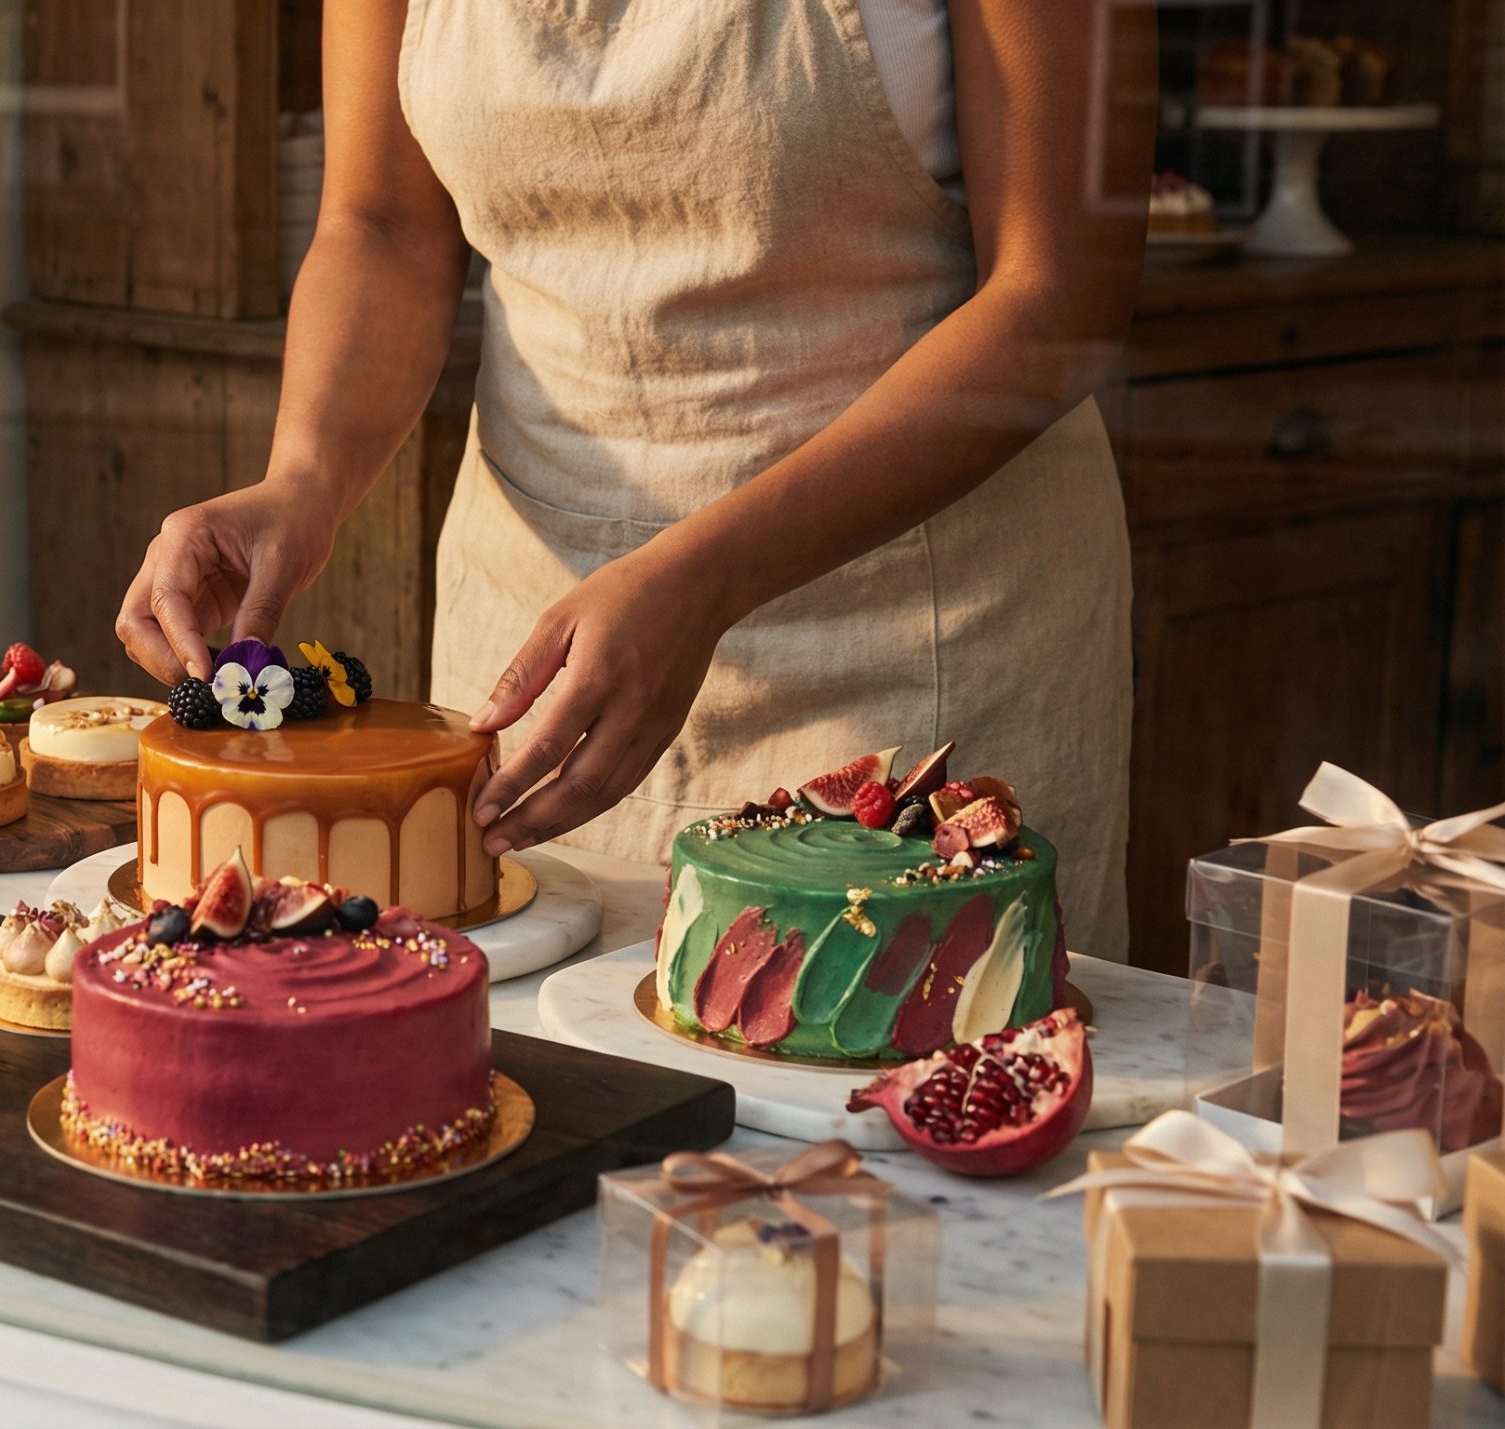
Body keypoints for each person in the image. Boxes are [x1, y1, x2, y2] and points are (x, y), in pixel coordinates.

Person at [114, 0, 1151, 954]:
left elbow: (1057, 298)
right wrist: (303, 475)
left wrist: (705, 579)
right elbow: (383, 223)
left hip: (909, 654)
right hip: (533, 657)